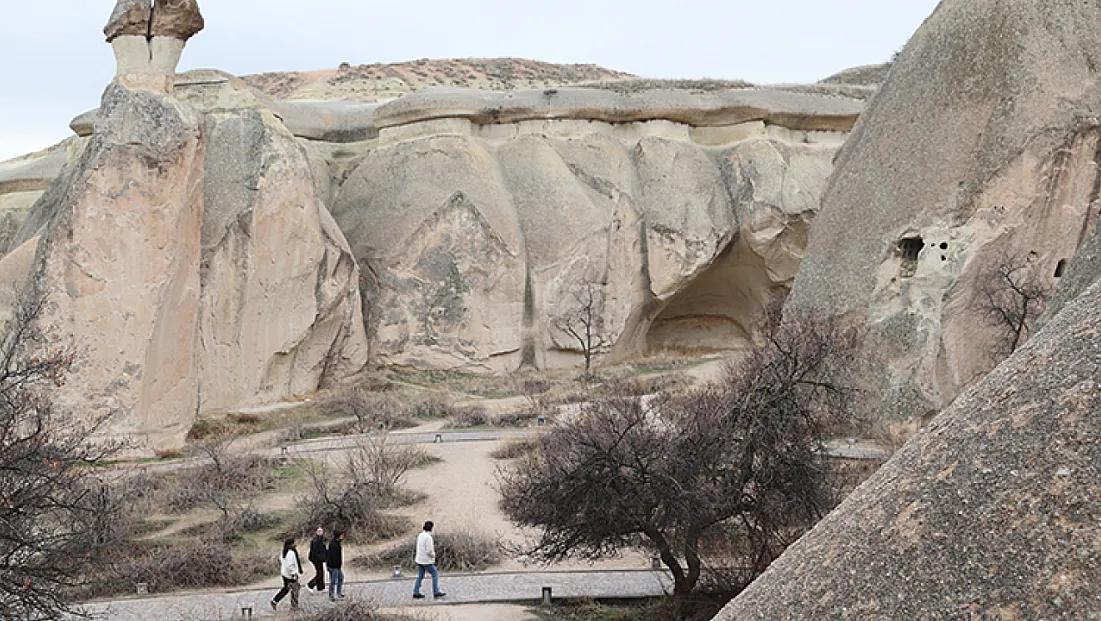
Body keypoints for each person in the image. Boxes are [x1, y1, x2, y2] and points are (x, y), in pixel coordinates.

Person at [412, 521, 445, 599]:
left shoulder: (420, 535)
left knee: (420, 576)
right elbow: (429, 551)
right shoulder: (428, 538)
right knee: (435, 574)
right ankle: (436, 591)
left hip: (419, 559)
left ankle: (416, 591)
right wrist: (434, 556)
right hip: (426, 560)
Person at [271, 538, 301, 612]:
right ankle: (294, 606)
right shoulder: (291, 553)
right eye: (295, 542)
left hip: (285, 573)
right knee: (295, 589)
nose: (296, 543)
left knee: (286, 589)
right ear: (292, 544)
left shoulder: (284, 552)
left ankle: (275, 601)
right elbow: (290, 565)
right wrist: (294, 573)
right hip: (290, 574)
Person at [307, 527, 327, 592]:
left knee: (321, 572)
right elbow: (314, 552)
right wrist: (321, 558)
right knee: (320, 573)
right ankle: (310, 584)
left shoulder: (321, 539)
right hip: (315, 559)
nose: (320, 532)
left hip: (319, 559)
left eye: (321, 531)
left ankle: (321, 587)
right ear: (316, 532)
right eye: (319, 531)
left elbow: (323, 549)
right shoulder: (315, 540)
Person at [327, 530, 345, 601]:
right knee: (333, 581)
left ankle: (339, 592)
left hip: (337, 566)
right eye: (342, 535)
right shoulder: (333, 544)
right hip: (333, 566)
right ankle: (331, 595)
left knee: (340, 577)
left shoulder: (337, 543)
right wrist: (336, 565)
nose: (343, 537)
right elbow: (333, 556)